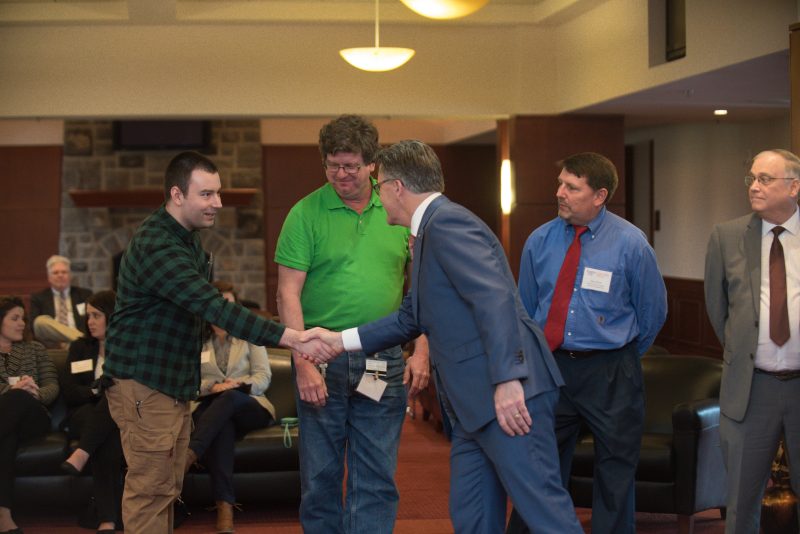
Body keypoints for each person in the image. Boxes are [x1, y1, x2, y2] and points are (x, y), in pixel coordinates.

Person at [307, 140, 582, 534]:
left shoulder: (449, 223)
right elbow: (410, 318)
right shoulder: (427, 231)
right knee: (471, 515)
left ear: (397, 187)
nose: (376, 194)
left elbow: (495, 299)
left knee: (544, 511)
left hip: (508, 395)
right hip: (472, 406)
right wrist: (337, 340)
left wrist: (508, 380)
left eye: (378, 184)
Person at [102, 150, 334, 534]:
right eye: (207, 194)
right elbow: (212, 306)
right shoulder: (158, 244)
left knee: (166, 486)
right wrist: (292, 337)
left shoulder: (187, 239)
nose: (218, 204)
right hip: (145, 383)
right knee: (150, 491)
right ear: (177, 195)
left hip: (171, 384)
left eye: (219, 193)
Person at [274, 115, 429, 534]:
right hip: (320, 359)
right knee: (321, 477)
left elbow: (424, 288)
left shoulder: (397, 207)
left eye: (351, 166)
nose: (341, 175)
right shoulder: (304, 213)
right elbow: (287, 293)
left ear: (373, 164)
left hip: (382, 358)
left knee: (376, 474)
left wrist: (422, 350)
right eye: (332, 165)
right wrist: (302, 362)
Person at [507, 152, 667, 534]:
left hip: (611, 371)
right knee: (541, 468)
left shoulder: (631, 244)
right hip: (553, 368)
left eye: (572, 187)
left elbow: (652, 313)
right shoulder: (539, 240)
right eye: (560, 183)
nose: (559, 192)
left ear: (600, 195)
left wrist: (618, 355)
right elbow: (525, 311)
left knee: (615, 472)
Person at [704, 148, 800, 534]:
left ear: (794, 187)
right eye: (752, 179)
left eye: (765, 179)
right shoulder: (727, 236)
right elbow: (717, 308)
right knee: (741, 506)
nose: (754, 187)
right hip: (751, 388)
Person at [186, 280, 276, 534]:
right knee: (221, 424)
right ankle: (225, 506)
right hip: (213, 406)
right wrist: (213, 386)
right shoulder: (197, 340)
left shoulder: (249, 335)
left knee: (229, 400)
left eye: (229, 304)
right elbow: (190, 381)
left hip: (249, 405)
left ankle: (191, 453)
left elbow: (263, 377)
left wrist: (237, 385)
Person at [59, 290, 122, 534]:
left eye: (96, 315)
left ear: (112, 316)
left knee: (105, 433)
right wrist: (96, 392)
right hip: (83, 413)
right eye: (88, 316)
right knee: (103, 421)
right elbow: (69, 390)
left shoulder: (126, 350)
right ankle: (112, 516)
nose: (90, 321)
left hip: (117, 416)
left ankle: (106, 518)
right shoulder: (80, 347)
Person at [0, 295, 60, 533]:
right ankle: (4, 516)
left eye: (22, 318)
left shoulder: (34, 348)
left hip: (34, 417)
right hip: (7, 422)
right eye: (14, 318)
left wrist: (33, 393)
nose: (22, 323)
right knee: (6, 439)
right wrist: (11, 390)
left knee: (19, 397)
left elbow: (52, 386)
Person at [29, 255, 92, 348]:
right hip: (52, 343)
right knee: (40, 321)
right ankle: (81, 340)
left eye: (64, 272)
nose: (60, 275)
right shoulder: (39, 298)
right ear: (49, 277)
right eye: (55, 272)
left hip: (76, 343)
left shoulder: (84, 295)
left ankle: (79, 341)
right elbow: (34, 327)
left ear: (70, 275)